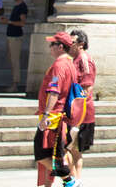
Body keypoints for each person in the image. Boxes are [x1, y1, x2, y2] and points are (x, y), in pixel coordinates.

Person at [32, 34, 81, 187]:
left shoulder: (59, 65)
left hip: (53, 117)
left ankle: (70, 181)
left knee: (41, 154)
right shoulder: (69, 63)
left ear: (60, 47)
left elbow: (54, 91)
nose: (49, 48)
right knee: (60, 153)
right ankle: (67, 182)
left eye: (52, 44)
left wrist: (46, 114)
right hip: (61, 116)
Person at [66, 30, 97, 184]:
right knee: (72, 149)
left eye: (72, 42)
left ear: (81, 44)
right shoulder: (75, 60)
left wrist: (76, 112)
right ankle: (74, 180)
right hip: (75, 112)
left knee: (72, 149)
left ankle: (75, 180)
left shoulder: (84, 61)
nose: (68, 45)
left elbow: (87, 87)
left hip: (81, 114)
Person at [5, 0, 30, 94]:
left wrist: (9, 21)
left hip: (16, 36)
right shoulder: (17, 6)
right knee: (11, 59)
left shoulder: (22, 7)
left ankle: (15, 84)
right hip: (11, 35)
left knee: (15, 60)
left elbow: (22, 23)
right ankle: (14, 83)